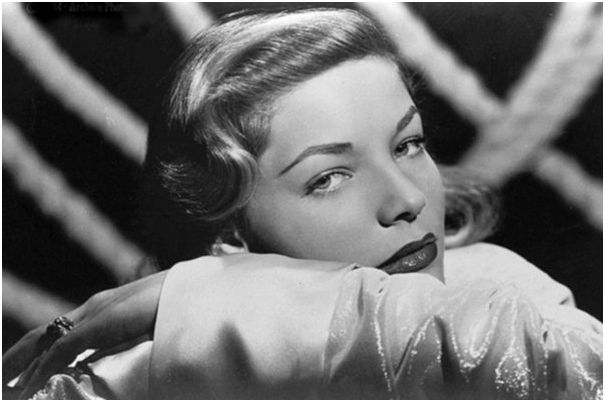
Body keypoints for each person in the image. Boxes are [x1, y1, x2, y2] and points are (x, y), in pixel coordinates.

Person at [3, 8, 602, 399]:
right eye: (329, 178)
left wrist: (255, 305)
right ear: (232, 233)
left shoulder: (504, 299)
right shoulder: (130, 381)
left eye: (408, 145)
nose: (407, 198)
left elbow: (577, 375)